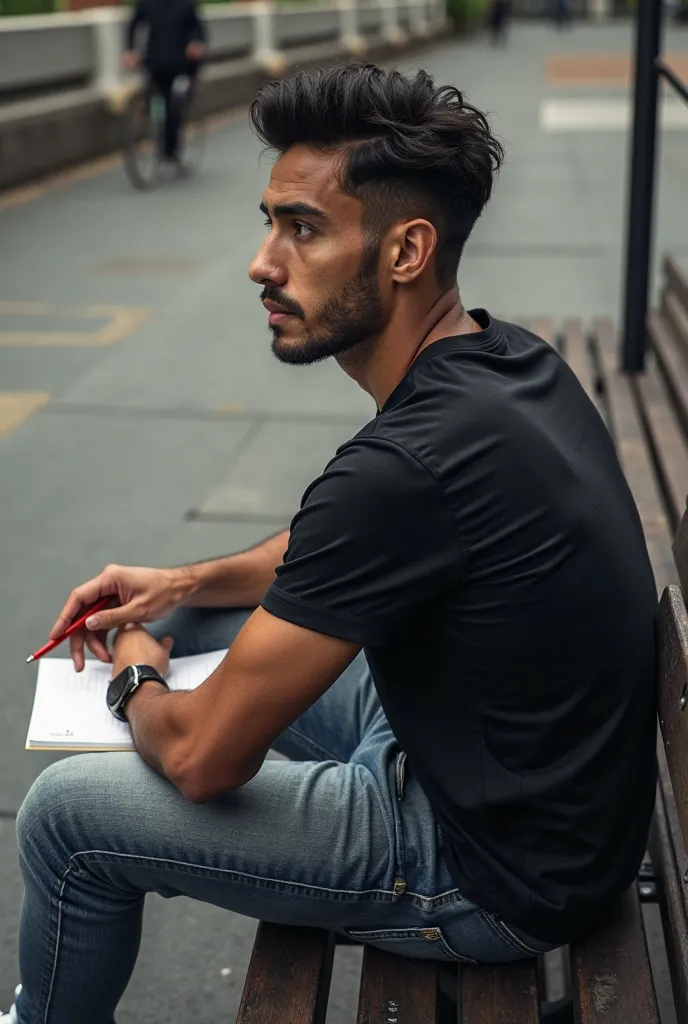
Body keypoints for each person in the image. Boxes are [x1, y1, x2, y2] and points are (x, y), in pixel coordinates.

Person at [2, 63, 658, 1023]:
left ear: (405, 251)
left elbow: (201, 764)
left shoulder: (403, 467)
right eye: (269, 220)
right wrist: (183, 582)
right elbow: (345, 550)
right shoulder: (507, 359)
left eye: (302, 228)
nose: (263, 262)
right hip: (522, 778)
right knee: (194, 618)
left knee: (66, 817)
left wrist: (135, 672)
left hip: (489, 871)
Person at [123, 0, 206, 163]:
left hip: (181, 64)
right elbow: (133, 25)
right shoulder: (147, 4)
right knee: (152, 95)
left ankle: (171, 146)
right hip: (155, 63)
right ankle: (149, 127)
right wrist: (131, 50)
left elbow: (198, 30)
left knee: (175, 105)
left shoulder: (186, 4)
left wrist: (196, 44)